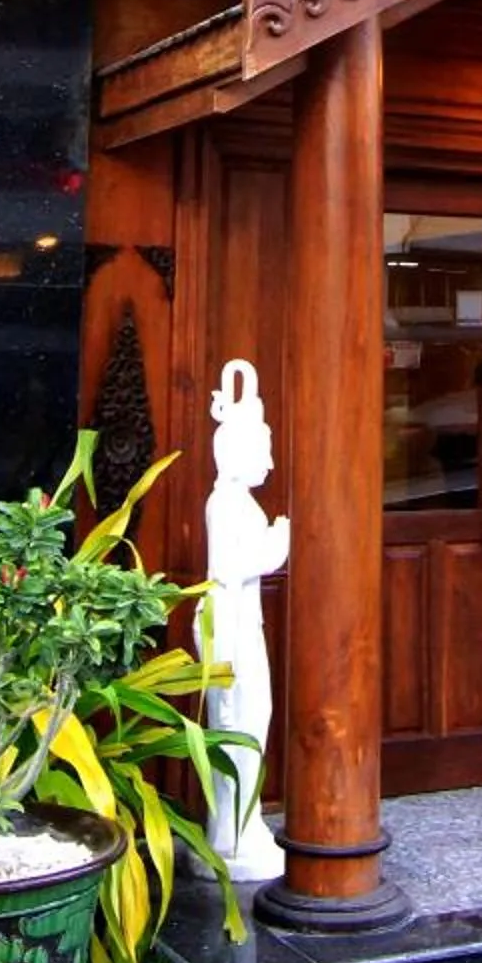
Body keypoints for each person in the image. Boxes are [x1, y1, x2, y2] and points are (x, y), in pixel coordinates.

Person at [203, 360, 291, 880]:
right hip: (230, 626)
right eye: (263, 452)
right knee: (239, 722)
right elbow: (229, 570)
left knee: (253, 720)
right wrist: (274, 549)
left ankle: (242, 820)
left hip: (242, 623)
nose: (271, 462)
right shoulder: (227, 503)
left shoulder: (239, 502)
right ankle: (232, 825)